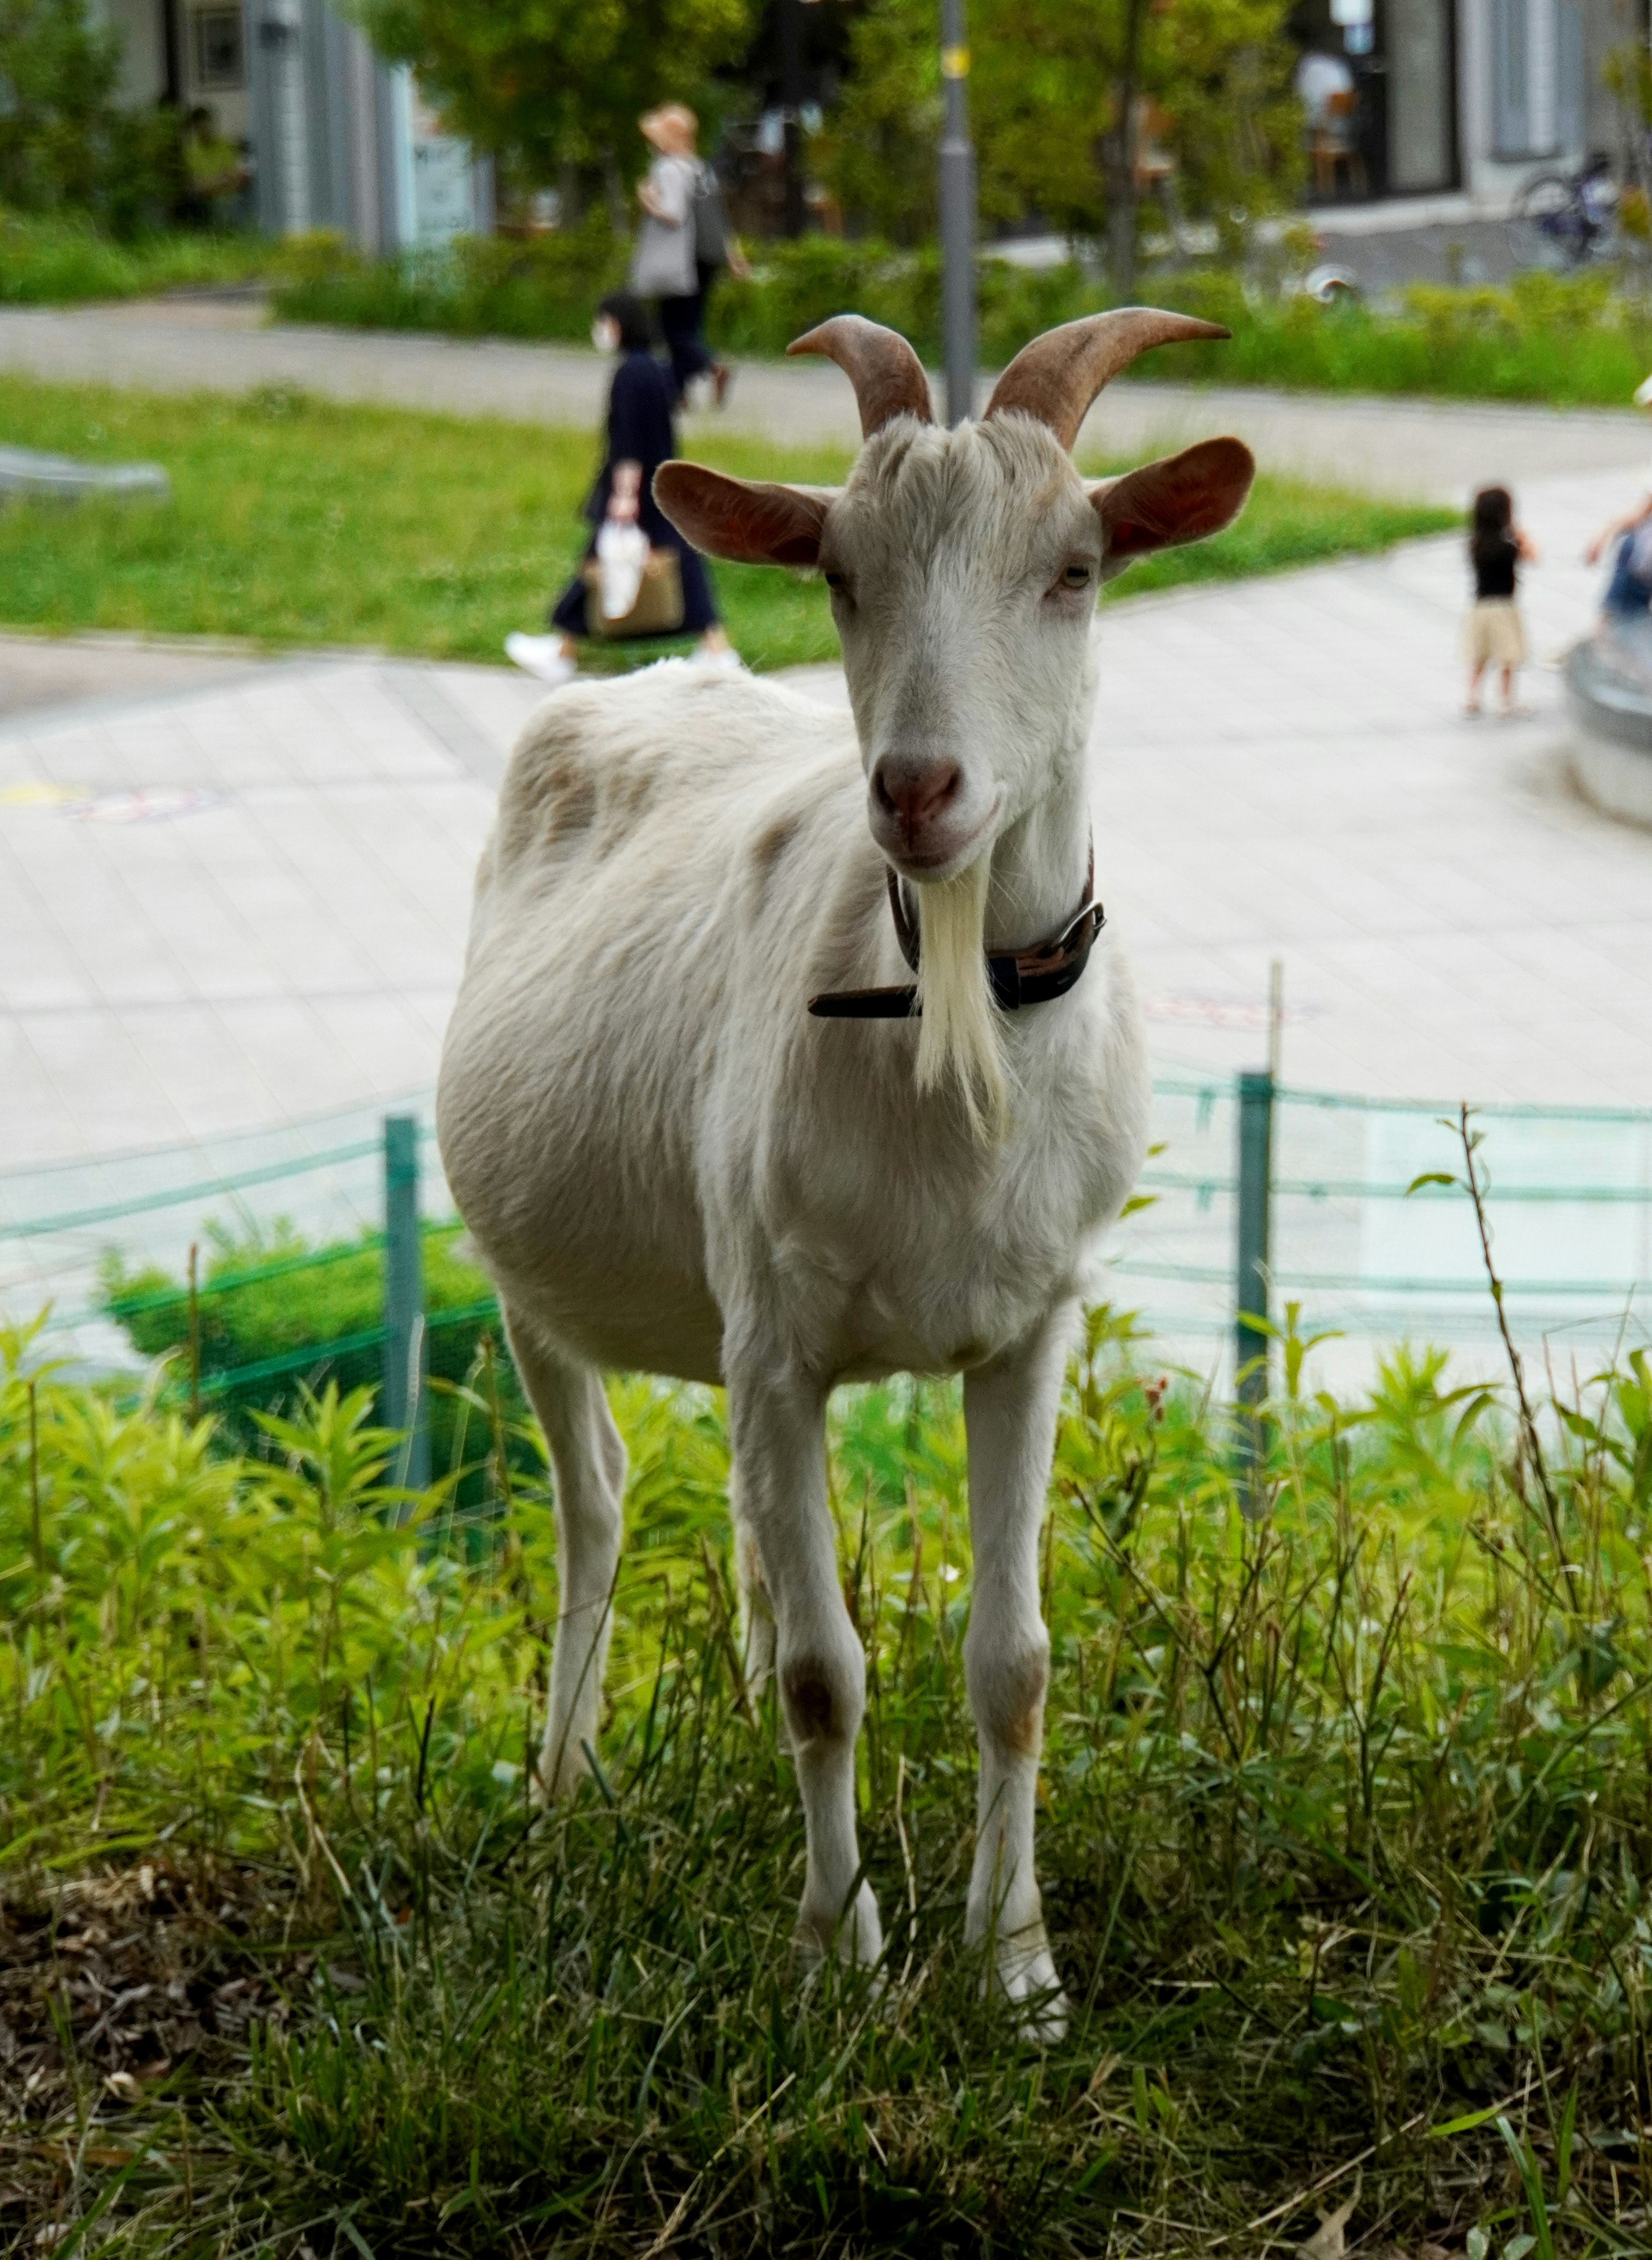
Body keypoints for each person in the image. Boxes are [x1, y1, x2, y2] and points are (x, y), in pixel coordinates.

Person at [503, 292, 737, 689]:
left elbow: (628, 439)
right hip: (661, 485)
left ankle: (563, 653)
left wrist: (623, 495)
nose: (602, 331)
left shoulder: (629, 373)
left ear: (619, 325)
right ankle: (716, 650)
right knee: (675, 563)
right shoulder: (658, 370)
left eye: (605, 322)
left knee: (601, 562)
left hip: (637, 493)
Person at [629, 104, 749, 407]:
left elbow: (673, 214)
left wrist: (648, 200)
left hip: (679, 262)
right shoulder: (700, 168)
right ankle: (678, 393)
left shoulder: (668, 169)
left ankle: (712, 366)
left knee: (672, 330)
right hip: (705, 259)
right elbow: (717, 217)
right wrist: (733, 255)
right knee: (689, 325)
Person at [1463, 486, 1537, 718]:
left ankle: (1472, 696)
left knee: (1480, 656)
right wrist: (1519, 533)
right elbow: (1534, 556)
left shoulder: (1475, 545)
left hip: (1480, 607)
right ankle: (1506, 700)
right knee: (1507, 657)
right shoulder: (1509, 546)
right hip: (1504, 607)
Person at [1584, 373, 1652, 622]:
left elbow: (1644, 510)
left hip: (1644, 554)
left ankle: (1603, 646)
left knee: (1616, 614)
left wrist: (1607, 532)